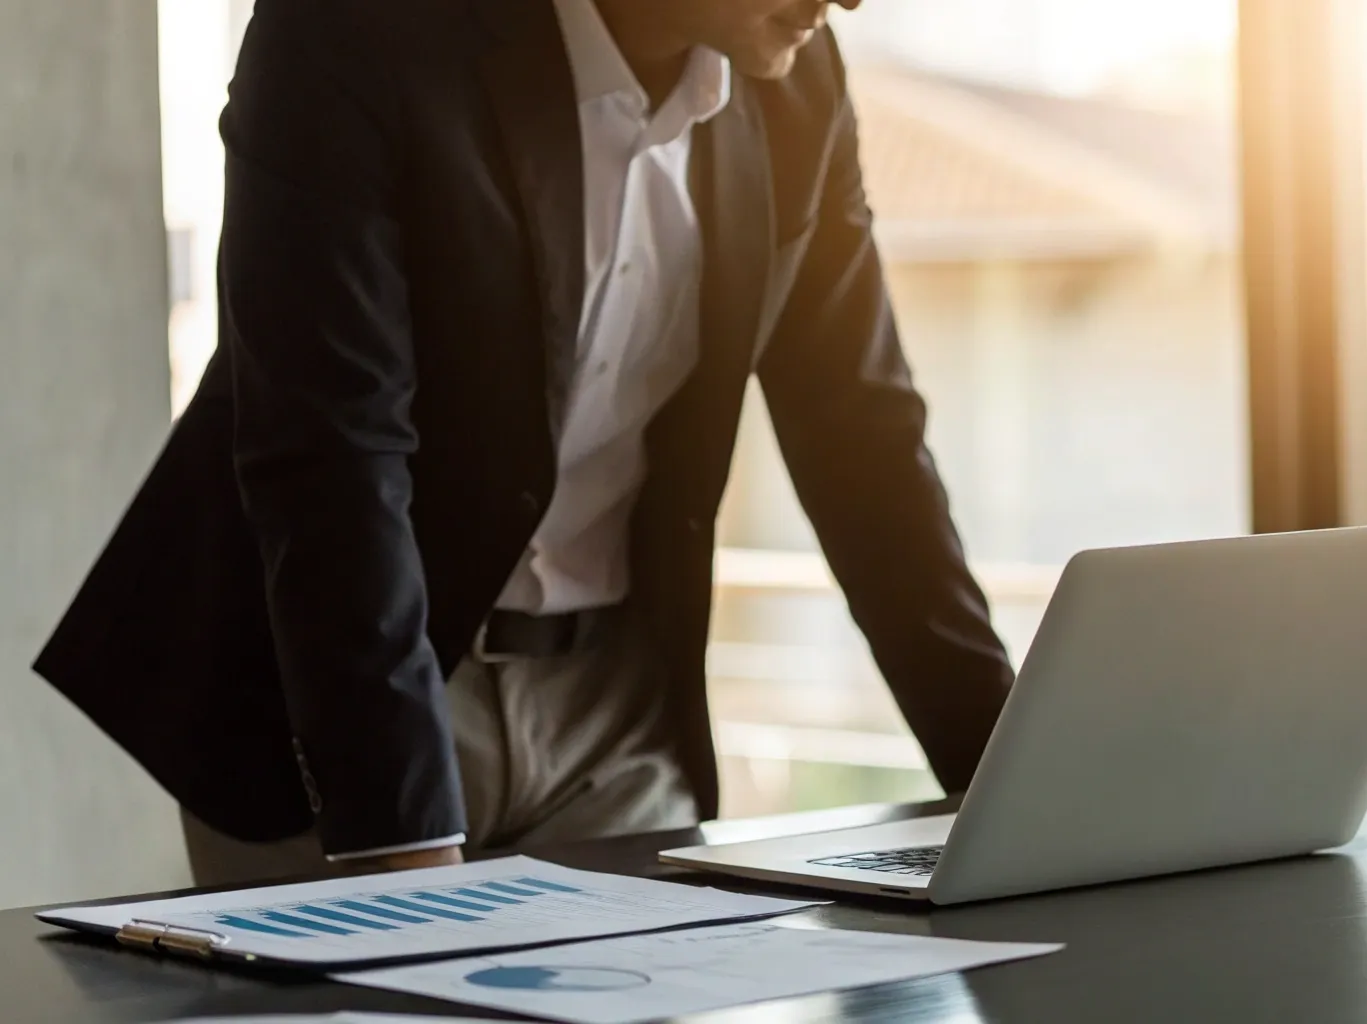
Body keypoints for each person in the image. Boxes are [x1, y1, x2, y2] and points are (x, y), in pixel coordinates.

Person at [34, 0, 1013, 886]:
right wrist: (399, 850)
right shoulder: (351, 28)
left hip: (614, 721)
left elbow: (866, 444)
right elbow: (333, 452)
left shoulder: (798, 86)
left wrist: (1018, 793)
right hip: (331, 700)